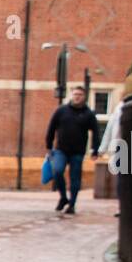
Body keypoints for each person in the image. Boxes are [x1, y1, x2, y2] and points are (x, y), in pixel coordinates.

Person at [44, 86, 100, 215]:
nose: (77, 97)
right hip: (60, 149)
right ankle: (63, 197)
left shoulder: (88, 114)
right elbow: (51, 128)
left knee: (75, 178)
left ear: (84, 97)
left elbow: (96, 133)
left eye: (80, 94)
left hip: (78, 151)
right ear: (71, 95)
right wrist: (49, 145)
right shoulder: (61, 111)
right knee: (57, 171)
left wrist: (95, 150)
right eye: (75, 94)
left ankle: (72, 204)